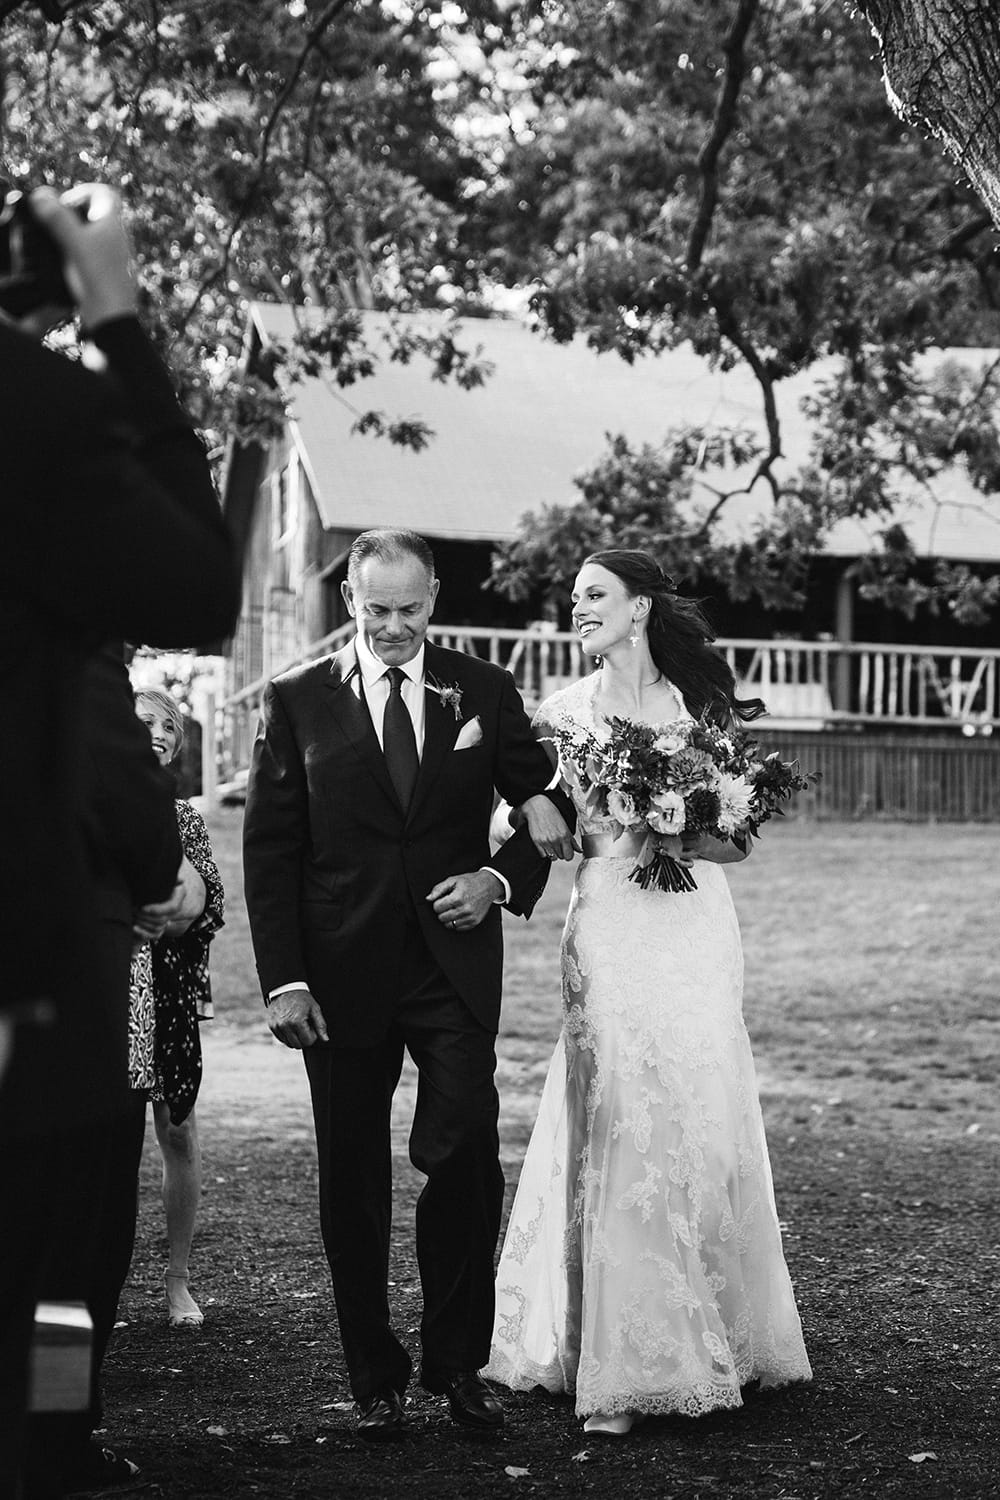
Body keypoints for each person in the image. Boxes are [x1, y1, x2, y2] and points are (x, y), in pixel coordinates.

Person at [0, 182, 239, 1498]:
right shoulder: (81, 675)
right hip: (60, 997)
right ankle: (53, 1440)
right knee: (63, 1273)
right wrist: (177, 877)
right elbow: (143, 835)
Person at [243, 527, 574, 1443]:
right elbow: (270, 852)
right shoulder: (296, 699)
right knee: (351, 1175)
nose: (394, 626)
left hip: (448, 966)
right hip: (337, 979)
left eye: (411, 609)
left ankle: (457, 1364)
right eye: (377, 609)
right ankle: (373, 1377)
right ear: (351, 599)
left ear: (434, 599)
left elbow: (551, 804)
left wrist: (498, 876)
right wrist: (285, 981)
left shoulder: (483, 689)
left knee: (465, 1148)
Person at [485, 549, 812, 1435]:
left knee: (698, 1111)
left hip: (696, 930)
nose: (579, 609)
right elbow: (521, 815)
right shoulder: (561, 713)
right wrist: (551, 816)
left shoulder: (700, 707)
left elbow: (742, 842)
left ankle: (720, 1331)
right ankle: (621, 1360)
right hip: (611, 932)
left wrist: (691, 830)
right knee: (620, 1112)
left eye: (596, 596)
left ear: (638, 610)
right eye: (575, 599)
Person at [130, 688, 224, 1331]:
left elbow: (211, 905)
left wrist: (174, 915)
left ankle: (177, 1280)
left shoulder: (183, 816)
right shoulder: (87, 803)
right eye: (145, 724)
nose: (160, 734)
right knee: (96, 1140)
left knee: (176, 1132)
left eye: (169, 727)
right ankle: (86, 1282)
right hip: (108, 992)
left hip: (168, 989)